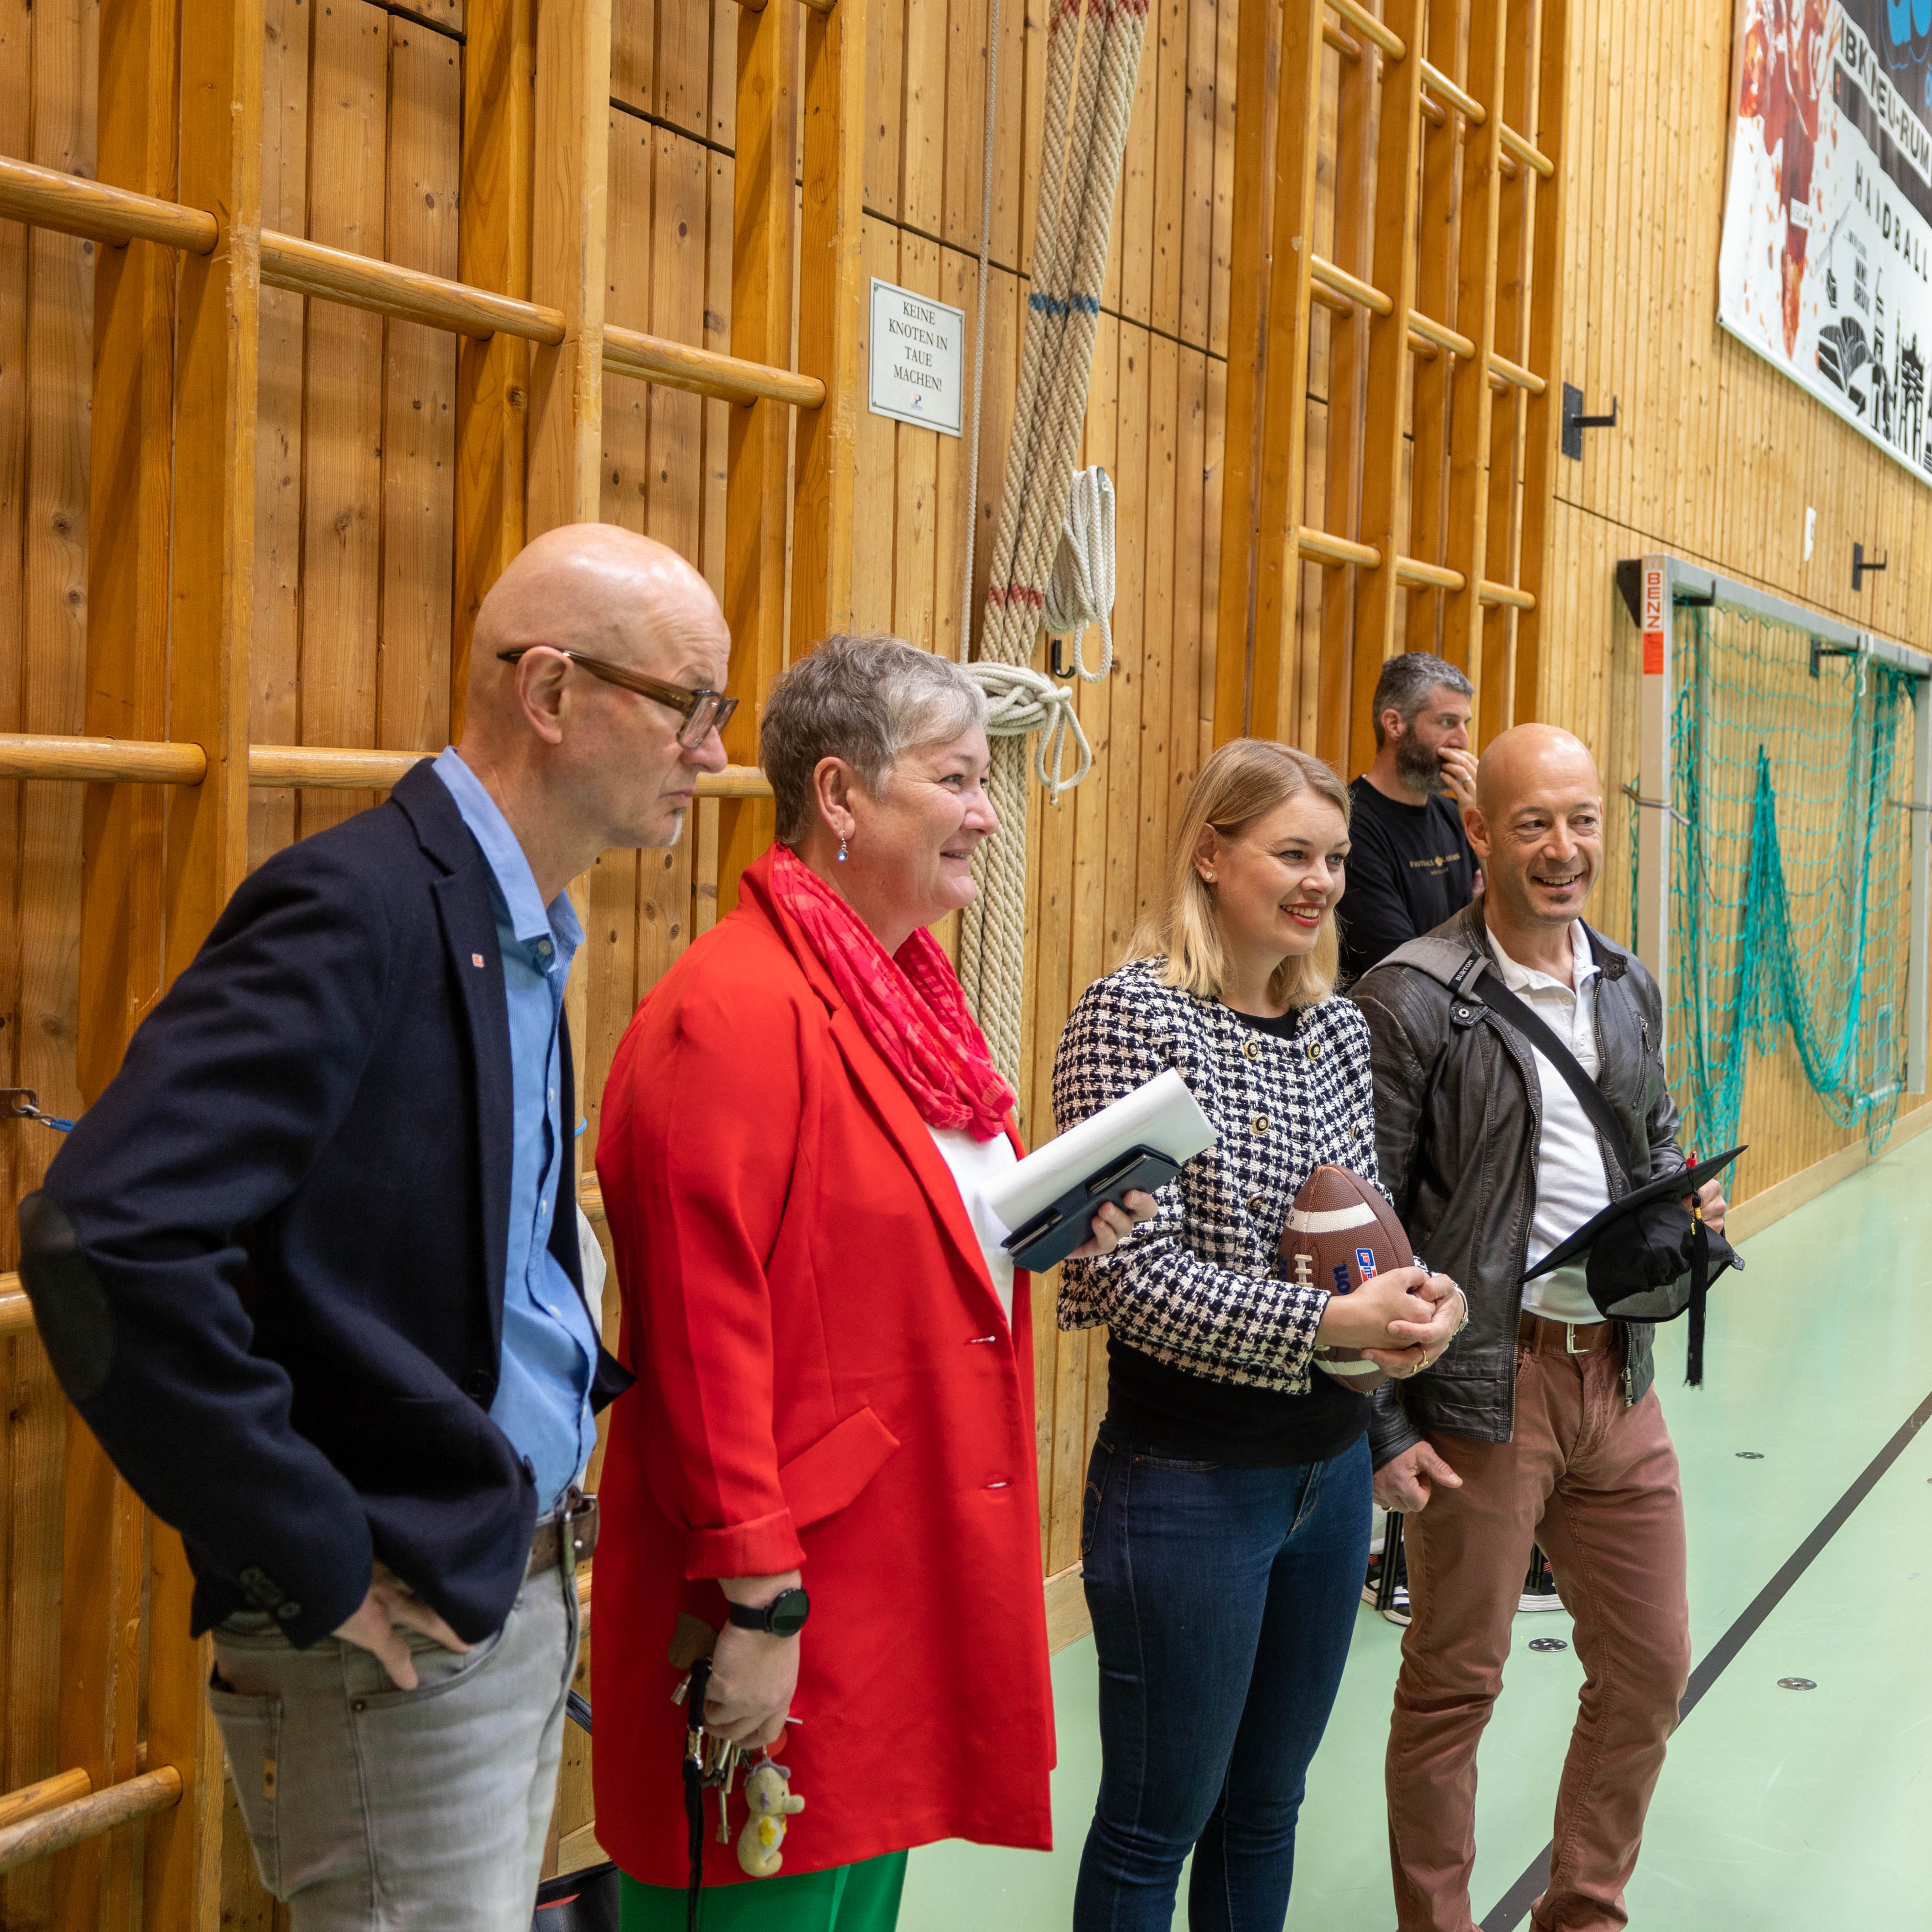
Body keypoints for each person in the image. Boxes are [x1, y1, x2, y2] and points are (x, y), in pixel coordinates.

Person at [12, 524, 725, 1929]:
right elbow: (105, 1239)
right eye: (689, 703)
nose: (709, 750)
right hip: (392, 1628)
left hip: (505, 1587)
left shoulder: (518, 921)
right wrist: (310, 1552)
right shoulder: (360, 909)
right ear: (552, 694)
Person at [591, 637, 1143, 1927]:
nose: (987, 812)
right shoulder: (730, 1012)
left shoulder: (903, 998)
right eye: (955, 779)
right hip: (789, 1600)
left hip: (896, 1583)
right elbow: (700, 1338)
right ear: (840, 797)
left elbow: (897, 1249)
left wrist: (1047, 1226)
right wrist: (760, 1600)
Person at [1052, 736, 1466, 1932]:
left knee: (1265, 1809)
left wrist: (1414, 1305)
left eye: (1334, 857)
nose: (1320, 881)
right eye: (1291, 853)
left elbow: (1365, 1231)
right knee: (1151, 1826)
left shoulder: (1336, 1026)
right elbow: (1131, 1277)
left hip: (1326, 1478)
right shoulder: (1133, 1017)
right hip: (1186, 1483)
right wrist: (1329, 1320)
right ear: (1210, 854)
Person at [1350, 724, 1728, 1932]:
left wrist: (1682, 1198)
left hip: (1615, 1377)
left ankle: (1586, 1914)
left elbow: (1649, 1136)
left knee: (1653, 1664)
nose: (1564, 850)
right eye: (1533, 824)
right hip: (1480, 1387)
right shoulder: (1411, 998)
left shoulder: (1624, 982)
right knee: (1457, 1685)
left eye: (1581, 821)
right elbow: (1362, 1220)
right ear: (1477, 833)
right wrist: (1382, 1422)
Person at [1339, 651, 1480, 990]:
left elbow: (1508, 933)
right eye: (1448, 722)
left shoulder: (1456, 813)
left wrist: (1483, 827)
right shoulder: (1350, 824)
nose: (1463, 740)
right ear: (1395, 725)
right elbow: (1402, 966)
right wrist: (1478, 922)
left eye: (1465, 724)